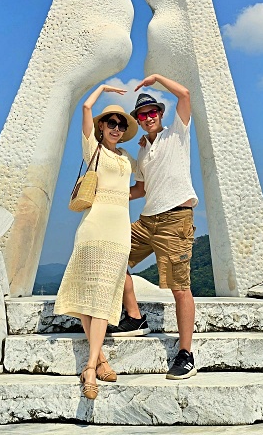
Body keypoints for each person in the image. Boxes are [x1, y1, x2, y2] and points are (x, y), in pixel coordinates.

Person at [108, 74, 199, 380]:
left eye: (152, 113)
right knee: (112, 253)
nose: (147, 118)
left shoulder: (177, 134)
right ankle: (135, 317)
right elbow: (140, 190)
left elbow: (185, 94)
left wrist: (157, 78)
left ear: (160, 114)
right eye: (142, 115)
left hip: (176, 220)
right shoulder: (144, 149)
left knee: (179, 288)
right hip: (148, 221)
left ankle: (186, 354)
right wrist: (104, 190)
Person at [53, 82, 139, 400]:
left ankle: (97, 359)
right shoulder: (95, 150)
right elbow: (86, 109)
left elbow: (136, 187)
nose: (116, 128)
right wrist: (102, 87)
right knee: (93, 296)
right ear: (102, 126)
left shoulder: (127, 158)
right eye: (111, 123)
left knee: (102, 297)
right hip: (93, 229)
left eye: (120, 124)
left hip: (119, 231)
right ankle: (93, 366)